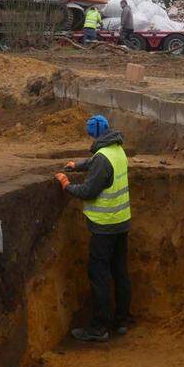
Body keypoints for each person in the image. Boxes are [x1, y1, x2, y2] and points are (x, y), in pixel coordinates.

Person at [54, 115, 132, 342]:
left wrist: (67, 185)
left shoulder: (102, 158)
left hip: (104, 226)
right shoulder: (117, 150)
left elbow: (88, 191)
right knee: (119, 271)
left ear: (94, 134)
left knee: (99, 275)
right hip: (121, 223)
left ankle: (99, 328)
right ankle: (122, 320)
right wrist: (78, 165)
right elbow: (98, 163)